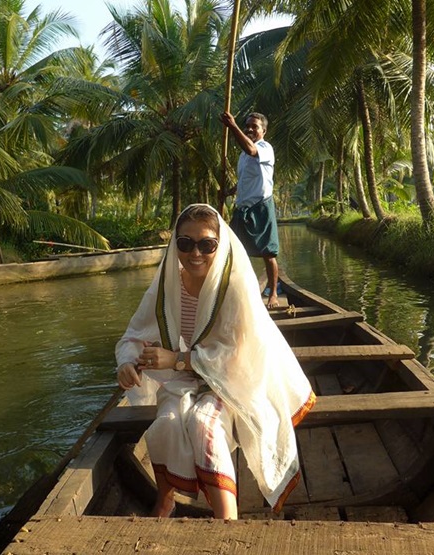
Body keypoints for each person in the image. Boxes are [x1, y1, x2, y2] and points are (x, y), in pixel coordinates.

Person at [115, 204, 315, 519]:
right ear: (175, 244)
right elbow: (132, 336)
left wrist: (177, 359)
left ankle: (227, 519)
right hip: (185, 376)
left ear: (219, 245)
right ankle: (166, 499)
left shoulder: (233, 288)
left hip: (233, 381)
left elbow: (238, 358)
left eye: (206, 244)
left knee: (202, 425)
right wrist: (126, 363)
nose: (195, 253)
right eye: (185, 243)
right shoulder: (169, 286)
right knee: (165, 424)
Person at [219, 111, 281, 308]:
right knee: (232, 252)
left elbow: (251, 150)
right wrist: (229, 191)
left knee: (268, 253)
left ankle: (272, 294)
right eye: (248, 126)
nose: (250, 129)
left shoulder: (264, 148)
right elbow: (245, 179)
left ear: (264, 130)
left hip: (260, 206)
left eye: (255, 126)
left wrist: (233, 126)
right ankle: (238, 292)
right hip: (242, 208)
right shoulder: (243, 156)